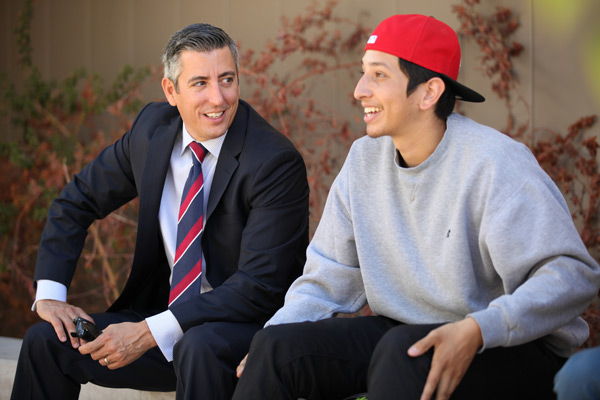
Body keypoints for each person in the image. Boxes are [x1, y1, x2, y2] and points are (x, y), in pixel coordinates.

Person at [232, 14, 600, 400]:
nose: (359, 90)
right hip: (405, 333)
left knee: (402, 352)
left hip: (509, 347)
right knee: (275, 349)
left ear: (429, 93)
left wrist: (478, 329)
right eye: (363, 73)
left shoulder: (494, 163)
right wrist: (268, 337)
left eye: (378, 75)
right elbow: (328, 277)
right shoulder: (364, 160)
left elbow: (571, 275)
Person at [11, 22, 309, 400]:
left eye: (227, 79)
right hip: (162, 323)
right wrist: (51, 294)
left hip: (242, 332)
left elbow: (259, 286)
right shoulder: (151, 132)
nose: (218, 98)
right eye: (200, 83)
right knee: (45, 342)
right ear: (171, 90)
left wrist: (149, 331)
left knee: (198, 346)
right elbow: (77, 200)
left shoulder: (274, 162)